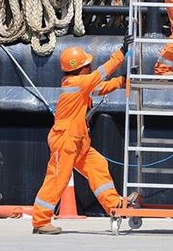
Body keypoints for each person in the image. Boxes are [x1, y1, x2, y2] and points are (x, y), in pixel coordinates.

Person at [32, 36, 138, 235]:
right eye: (87, 65)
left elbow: (99, 88)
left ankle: (114, 204)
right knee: (57, 179)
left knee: (98, 166)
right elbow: (100, 74)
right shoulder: (77, 83)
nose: (90, 67)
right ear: (79, 68)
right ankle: (40, 220)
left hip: (78, 141)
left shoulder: (79, 84)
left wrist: (122, 81)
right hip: (65, 141)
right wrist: (121, 53)